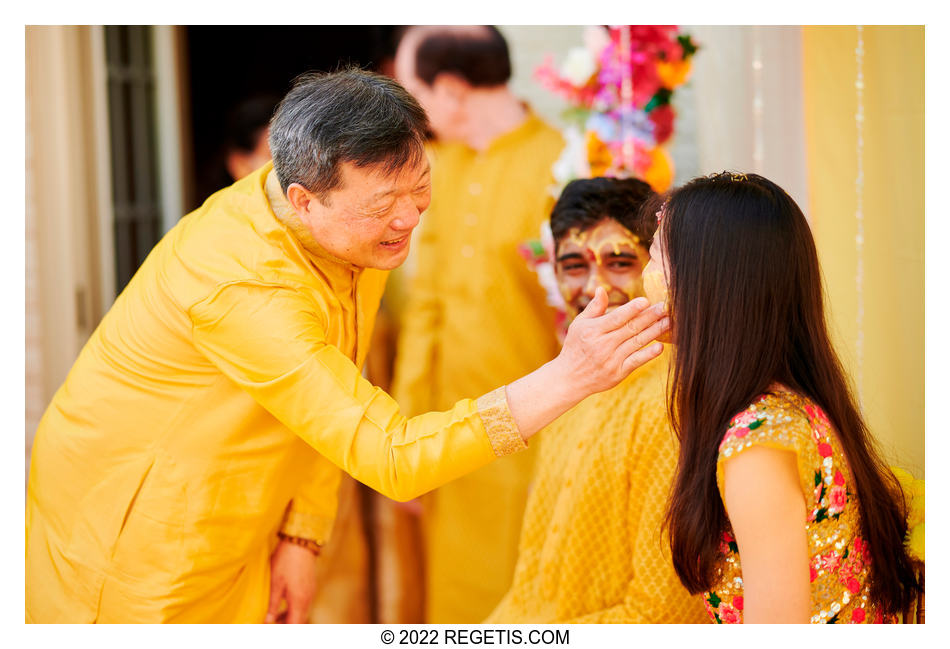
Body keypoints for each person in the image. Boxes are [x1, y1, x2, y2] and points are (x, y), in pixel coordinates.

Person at [25, 68, 668, 624]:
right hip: (134, 542)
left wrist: (301, 535)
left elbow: (336, 374)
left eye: (421, 187)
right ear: (304, 199)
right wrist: (571, 375)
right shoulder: (244, 286)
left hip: (241, 511)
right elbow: (392, 455)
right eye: (387, 202)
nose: (411, 218)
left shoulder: (344, 231)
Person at [647, 171, 920, 623]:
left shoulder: (759, 443)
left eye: (657, 257)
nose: (645, 276)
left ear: (707, 281)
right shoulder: (786, 405)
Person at [391, 25, 566, 623]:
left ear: (452, 89)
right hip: (451, 434)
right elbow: (426, 308)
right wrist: (407, 433)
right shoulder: (433, 167)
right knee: (454, 608)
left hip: (542, 432)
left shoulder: (564, 163)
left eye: (414, 92)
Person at [487, 177, 707, 623]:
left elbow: (663, 613)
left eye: (619, 261)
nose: (595, 289)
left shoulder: (675, 399)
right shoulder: (564, 381)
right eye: (573, 266)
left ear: (657, 268)